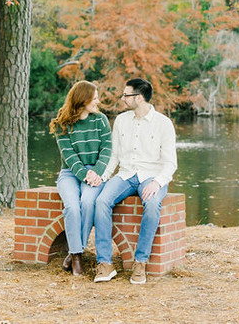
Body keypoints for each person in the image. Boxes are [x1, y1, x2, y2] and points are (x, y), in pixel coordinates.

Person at [93, 78, 177, 285]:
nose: (122, 99)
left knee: (151, 204)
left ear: (138, 98)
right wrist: (102, 177)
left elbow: (170, 163)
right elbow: (114, 156)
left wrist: (157, 183)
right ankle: (104, 263)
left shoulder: (164, 124)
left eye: (126, 95)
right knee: (101, 201)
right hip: (125, 175)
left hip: (152, 176)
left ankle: (140, 262)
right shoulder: (121, 121)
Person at [49, 80, 112, 276]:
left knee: (87, 201)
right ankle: (76, 255)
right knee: (72, 207)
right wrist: (85, 174)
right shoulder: (62, 123)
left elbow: (107, 149)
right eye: (94, 98)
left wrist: (97, 172)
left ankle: (75, 251)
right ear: (82, 100)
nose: (98, 101)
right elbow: (69, 157)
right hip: (70, 173)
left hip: (95, 172)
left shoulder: (100, 120)